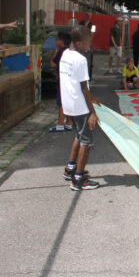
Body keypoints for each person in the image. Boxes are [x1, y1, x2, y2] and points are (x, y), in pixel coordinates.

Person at [60, 26, 101, 191]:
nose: (89, 43)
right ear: (78, 42)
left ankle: (70, 168)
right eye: (88, 40)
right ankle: (78, 179)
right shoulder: (80, 59)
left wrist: (92, 98)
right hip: (80, 106)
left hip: (69, 104)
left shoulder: (65, 54)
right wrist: (92, 111)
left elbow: (73, 83)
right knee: (86, 141)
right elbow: (84, 87)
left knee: (78, 135)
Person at [48, 30, 73, 132]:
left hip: (62, 80)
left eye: (57, 39)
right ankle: (68, 122)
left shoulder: (61, 51)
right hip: (70, 79)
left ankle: (60, 124)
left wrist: (55, 52)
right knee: (69, 102)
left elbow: (52, 64)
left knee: (61, 103)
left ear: (61, 41)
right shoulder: (70, 51)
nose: (56, 41)